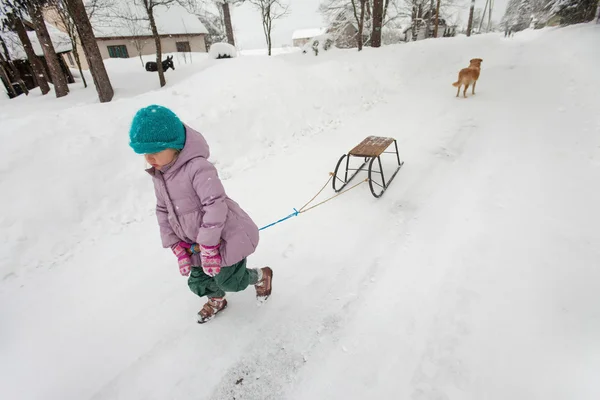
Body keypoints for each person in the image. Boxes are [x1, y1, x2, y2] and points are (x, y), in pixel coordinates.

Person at [128, 105, 272, 324]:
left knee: (230, 281)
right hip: (192, 243)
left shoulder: (197, 167)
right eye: (145, 154)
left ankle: (261, 276)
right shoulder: (160, 174)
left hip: (223, 238)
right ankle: (217, 300)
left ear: (173, 145)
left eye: (154, 151)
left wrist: (209, 246)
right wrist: (175, 244)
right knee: (199, 282)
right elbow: (162, 210)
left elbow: (215, 205)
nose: (149, 159)